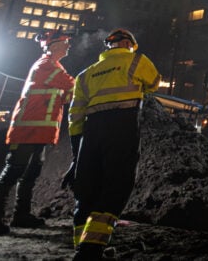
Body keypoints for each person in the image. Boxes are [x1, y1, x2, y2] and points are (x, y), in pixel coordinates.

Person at [65, 28, 161, 260]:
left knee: (87, 189)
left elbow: (74, 116)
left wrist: (77, 149)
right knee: (116, 185)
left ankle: (82, 244)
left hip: (90, 132)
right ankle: (92, 249)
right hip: (122, 127)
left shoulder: (85, 74)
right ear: (128, 43)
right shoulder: (136, 59)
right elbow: (154, 83)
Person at [0, 30, 75, 236]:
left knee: (30, 174)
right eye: (65, 42)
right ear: (55, 46)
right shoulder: (45, 65)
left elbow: (66, 95)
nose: (68, 45)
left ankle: (21, 215)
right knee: (13, 172)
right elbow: (71, 86)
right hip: (28, 130)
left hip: (40, 131)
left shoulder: (54, 67)